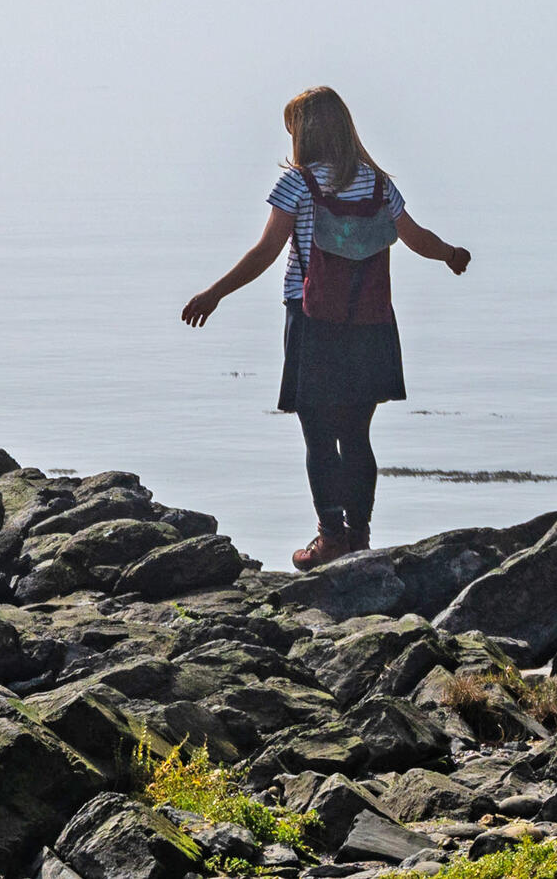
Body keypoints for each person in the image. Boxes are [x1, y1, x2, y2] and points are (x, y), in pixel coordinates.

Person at [181, 85, 471, 571]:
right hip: (371, 322)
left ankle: (330, 539)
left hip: (313, 319)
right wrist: (451, 255)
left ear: (306, 133)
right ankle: (358, 537)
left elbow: (264, 253)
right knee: (357, 433)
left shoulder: (296, 184)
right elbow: (416, 238)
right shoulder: (378, 183)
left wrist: (214, 293)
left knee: (318, 432)